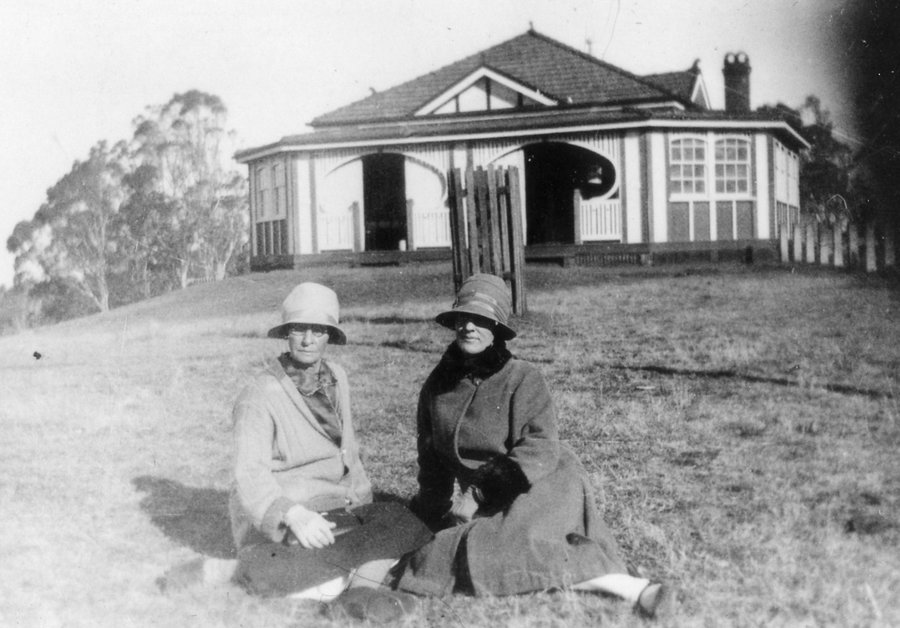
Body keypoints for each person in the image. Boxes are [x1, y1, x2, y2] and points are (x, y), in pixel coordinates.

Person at [392, 273, 668, 617]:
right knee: (435, 554)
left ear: (497, 329)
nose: (469, 328)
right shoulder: (437, 386)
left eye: (481, 320)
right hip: (485, 500)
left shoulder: (523, 377)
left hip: (541, 479)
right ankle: (631, 587)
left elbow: (539, 446)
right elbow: (431, 459)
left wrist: (476, 496)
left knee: (511, 545)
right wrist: (428, 515)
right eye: (463, 318)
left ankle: (634, 590)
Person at [159, 282, 431, 621]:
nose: (307, 340)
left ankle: (357, 593)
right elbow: (250, 475)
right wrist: (292, 514)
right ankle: (226, 571)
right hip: (286, 518)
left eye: (318, 330)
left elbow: (349, 453)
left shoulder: (338, 378)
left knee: (401, 521)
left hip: (336, 509)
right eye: (299, 329)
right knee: (323, 566)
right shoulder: (260, 393)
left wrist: (365, 510)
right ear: (286, 333)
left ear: (330, 335)